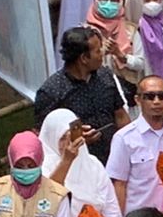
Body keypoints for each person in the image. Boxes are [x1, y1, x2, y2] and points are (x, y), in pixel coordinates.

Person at [33, 26, 130, 164]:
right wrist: (77, 139)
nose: (102, 54)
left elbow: (120, 114)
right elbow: (45, 139)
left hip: (115, 159)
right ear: (84, 58)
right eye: (97, 51)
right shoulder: (51, 92)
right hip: (78, 166)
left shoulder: (105, 76)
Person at [105, 75, 163, 214]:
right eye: (149, 96)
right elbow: (119, 185)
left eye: (162, 96)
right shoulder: (124, 138)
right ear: (138, 100)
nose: (156, 101)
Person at [84, 0, 141, 93]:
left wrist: (120, 55)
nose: (109, 3)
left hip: (127, 93)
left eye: (114, 0)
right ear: (95, 1)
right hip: (94, 93)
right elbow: (79, 64)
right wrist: (100, 52)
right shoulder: (84, 32)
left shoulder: (130, 30)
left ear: (120, 3)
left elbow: (141, 63)